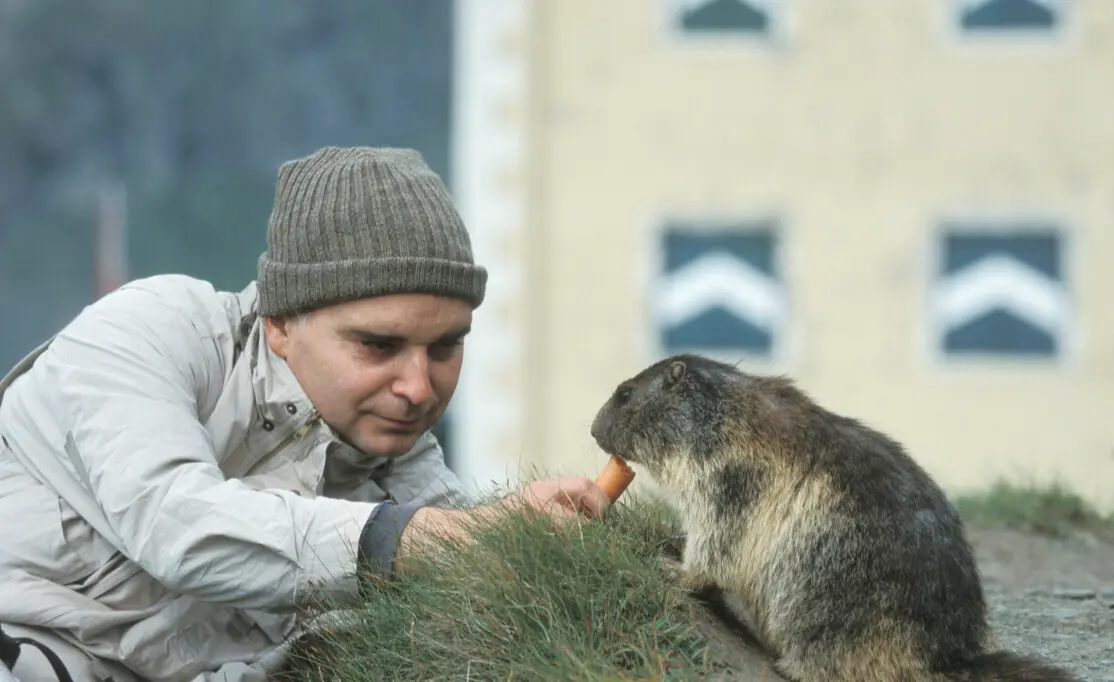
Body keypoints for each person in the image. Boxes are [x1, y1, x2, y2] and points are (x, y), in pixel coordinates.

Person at [0, 146, 611, 682]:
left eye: (446, 346)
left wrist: (545, 549)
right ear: (281, 322)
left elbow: (485, 616)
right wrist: (411, 541)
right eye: (379, 345)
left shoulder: (410, 480)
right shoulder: (149, 329)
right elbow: (176, 526)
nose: (419, 387)